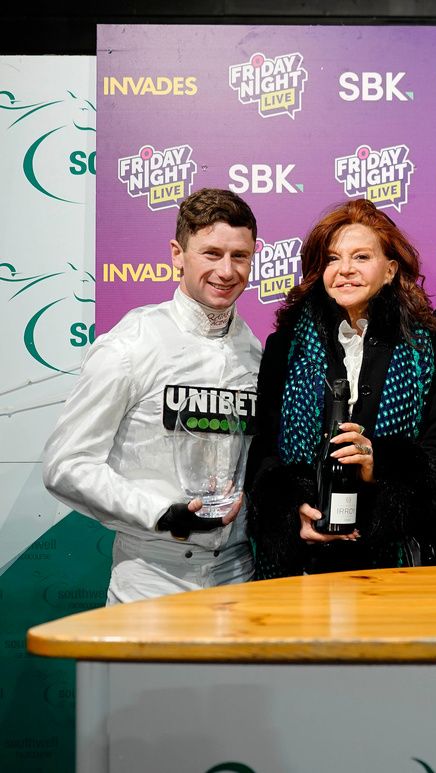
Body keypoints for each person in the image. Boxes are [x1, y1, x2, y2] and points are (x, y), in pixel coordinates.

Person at [42, 188, 261, 604]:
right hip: (152, 579)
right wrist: (161, 513)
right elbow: (66, 465)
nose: (227, 270)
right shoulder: (131, 346)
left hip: (237, 575)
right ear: (178, 254)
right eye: (211, 253)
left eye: (239, 256)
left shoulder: (255, 354)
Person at [245, 199, 436, 578]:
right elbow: (263, 453)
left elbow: (435, 457)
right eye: (333, 259)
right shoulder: (286, 346)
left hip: (392, 565)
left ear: (389, 270)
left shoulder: (428, 349)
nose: (345, 270)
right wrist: (291, 514)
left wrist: (377, 465)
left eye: (361, 257)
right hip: (304, 561)